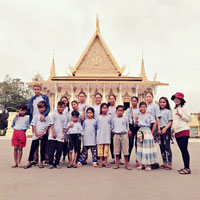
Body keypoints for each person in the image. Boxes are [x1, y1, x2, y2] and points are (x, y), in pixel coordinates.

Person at [27, 84, 50, 165]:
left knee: (44, 142)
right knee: (35, 141)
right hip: (35, 121)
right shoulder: (32, 99)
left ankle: (45, 159)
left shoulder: (44, 97)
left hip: (44, 120)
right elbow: (29, 110)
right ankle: (35, 159)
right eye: (35, 89)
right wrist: (20, 114)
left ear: (40, 89)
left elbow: (48, 107)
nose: (36, 91)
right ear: (33, 90)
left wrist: (44, 115)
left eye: (38, 89)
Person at [24, 101, 50, 169]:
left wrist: (43, 133)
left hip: (43, 134)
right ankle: (29, 161)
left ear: (45, 108)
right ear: (38, 108)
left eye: (43, 108)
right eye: (40, 108)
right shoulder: (36, 116)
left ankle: (41, 161)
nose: (41, 109)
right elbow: (34, 125)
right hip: (36, 134)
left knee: (43, 148)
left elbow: (47, 126)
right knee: (33, 148)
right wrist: (36, 133)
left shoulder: (46, 117)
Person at [171, 92, 192, 175]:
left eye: (178, 98)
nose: (176, 100)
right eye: (175, 98)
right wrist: (172, 131)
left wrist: (181, 115)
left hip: (184, 130)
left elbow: (189, 119)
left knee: (184, 150)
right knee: (182, 150)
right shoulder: (174, 110)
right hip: (177, 132)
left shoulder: (184, 108)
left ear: (181, 100)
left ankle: (187, 168)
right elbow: (174, 122)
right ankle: (185, 166)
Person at [134, 102, 158, 171]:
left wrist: (152, 133)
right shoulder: (138, 115)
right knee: (140, 147)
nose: (143, 108)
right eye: (141, 107)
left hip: (147, 131)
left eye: (144, 107)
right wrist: (135, 119)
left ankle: (148, 164)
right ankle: (141, 164)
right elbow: (135, 125)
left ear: (146, 107)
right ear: (140, 108)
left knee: (147, 148)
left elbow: (154, 124)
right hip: (140, 131)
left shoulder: (149, 115)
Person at [112, 105, 132, 170]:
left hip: (124, 134)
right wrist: (112, 132)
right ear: (116, 111)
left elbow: (127, 126)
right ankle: (117, 163)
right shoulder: (114, 119)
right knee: (116, 150)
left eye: (121, 111)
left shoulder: (125, 118)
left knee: (125, 149)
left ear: (123, 112)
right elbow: (112, 127)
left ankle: (126, 163)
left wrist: (128, 132)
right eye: (118, 111)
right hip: (116, 134)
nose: (120, 112)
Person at [48, 101, 66, 169]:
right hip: (53, 136)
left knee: (59, 150)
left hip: (60, 135)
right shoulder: (54, 114)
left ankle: (57, 163)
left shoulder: (64, 116)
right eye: (60, 107)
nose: (61, 108)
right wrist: (53, 132)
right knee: (52, 150)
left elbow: (64, 126)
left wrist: (64, 133)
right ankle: (51, 163)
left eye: (62, 107)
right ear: (57, 106)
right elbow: (51, 124)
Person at [158, 97, 173, 170]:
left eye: (164, 102)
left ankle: (169, 163)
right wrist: (158, 129)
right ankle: (165, 162)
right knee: (161, 147)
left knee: (167, 146)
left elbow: (170, 122)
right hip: (159, 130)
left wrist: (165, 128)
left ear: (166, 103)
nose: (162, 103)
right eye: (161, 102)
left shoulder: (168, 111)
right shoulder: (158, 111)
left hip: (166, 129)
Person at [125, 96, 140, 163]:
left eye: (135, 101)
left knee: (138, 144)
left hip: (138, 127)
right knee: (130, 144)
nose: (133, 102)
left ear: (137, 102)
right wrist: (128, 130)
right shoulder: (128, 110)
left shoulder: (139, 110)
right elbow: (127, 120)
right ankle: (127, 160)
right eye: (132, 101)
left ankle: (138, 160)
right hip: (131, 127)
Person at [96, 103, 112, 168]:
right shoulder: (98, 117)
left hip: (107, 136)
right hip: (100, 136)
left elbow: (111, 126)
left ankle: (105, 162)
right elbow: (96, 126)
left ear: (107, 109)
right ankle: (100, 162)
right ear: (101, 109)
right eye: (103, 108)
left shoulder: (109, 117)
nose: (104, 109)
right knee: (100, 150)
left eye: (106, 108)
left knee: (106, 150)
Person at [108, 95, 122, 164]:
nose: (111, 100)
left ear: (115, 99)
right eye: (110, 99)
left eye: (113, 99)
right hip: (110, 127)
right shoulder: (108, 108)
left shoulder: (117, 108)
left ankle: (119, 158)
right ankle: (113, 157)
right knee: (112, 143)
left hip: (117, 127)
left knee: (119, 143)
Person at [60, 96, 70, 164]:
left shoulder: (69, 110)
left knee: (66, 144)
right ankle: (58, 157)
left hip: (66, 128)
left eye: (65, 101)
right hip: (59, 128)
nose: (64, 102)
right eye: (63, 100)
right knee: (59, 144)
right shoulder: (58, 109)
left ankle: (65, 156)